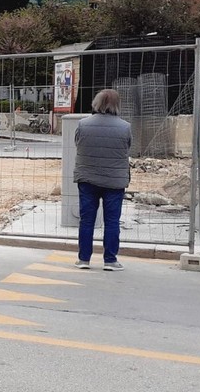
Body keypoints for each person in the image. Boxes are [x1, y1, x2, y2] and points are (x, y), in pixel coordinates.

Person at [73, 89, 132, 271]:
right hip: (114, 181)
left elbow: (78, 143)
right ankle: (110, 260)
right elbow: (127, 148)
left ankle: (84, 259)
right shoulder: (125, 127)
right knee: (112, 221)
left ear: (96, 103)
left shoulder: (83, 124)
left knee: (87, 220)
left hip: (88, 179)